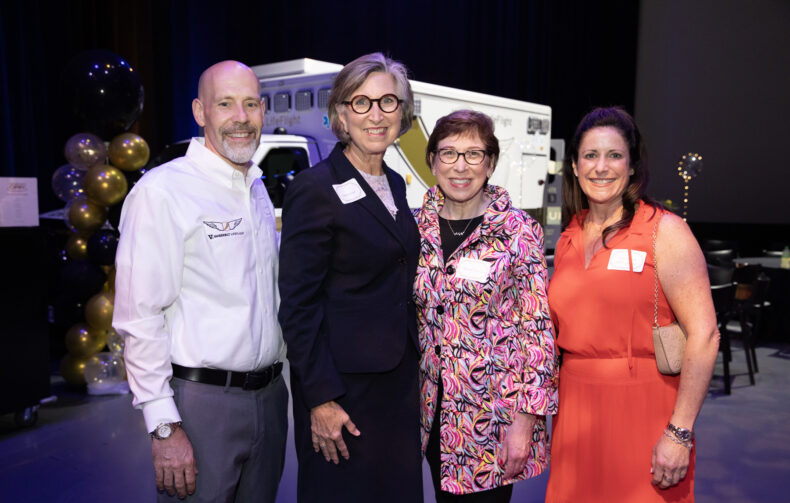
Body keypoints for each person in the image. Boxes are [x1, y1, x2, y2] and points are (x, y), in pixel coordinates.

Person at [113, 61, 288, 502]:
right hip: (201, 406)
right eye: (224, 103)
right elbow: (140, 315)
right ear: (199, 111)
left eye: (250, 104)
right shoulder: (163, 191)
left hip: (269, 399)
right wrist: (163, 426)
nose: (241, 117)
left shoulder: (257, 188)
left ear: (263, 111)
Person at [545, 107, 720, 502]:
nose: (601, 167)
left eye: (614, 155)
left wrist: (680, 431)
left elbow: (705, 335)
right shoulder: (569, 236)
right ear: (574, 166)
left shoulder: (665, 231)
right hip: (574, 414)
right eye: (590, 156)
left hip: (644, 410)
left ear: (632, 166)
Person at [277, 52, 422, 502]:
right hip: (342, 394)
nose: (376, 115)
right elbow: (298, 306)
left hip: (396, 386)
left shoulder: (397, 183)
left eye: (388, 102)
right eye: (361, 102)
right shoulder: (314, 188)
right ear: (341, 113)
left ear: (403, 111)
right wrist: (319, 399)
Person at [413, 110, 558, 502]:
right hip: (428, 411)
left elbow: (537, 330)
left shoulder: (517, 231)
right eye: (448, 153)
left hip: (492, 417)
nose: (460, 166)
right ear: (432, 161)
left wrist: (526, 420)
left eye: (473, 154)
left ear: (491, 163)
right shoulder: (415, 227)